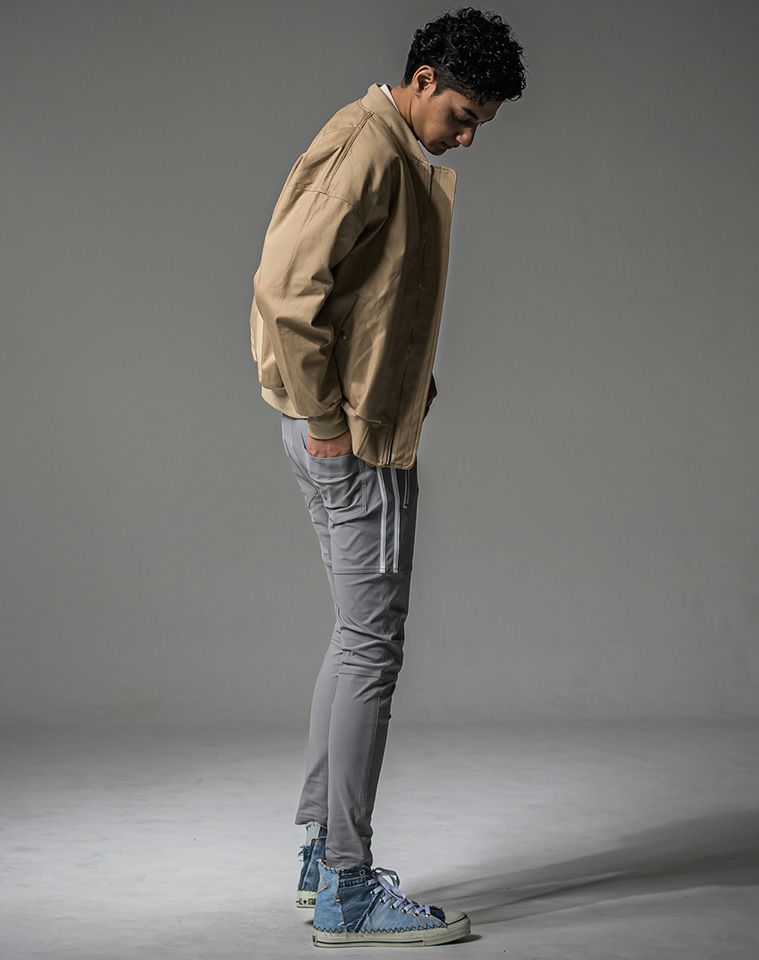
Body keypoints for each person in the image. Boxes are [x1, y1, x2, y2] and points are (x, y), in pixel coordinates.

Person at [248, 6, 526, 947]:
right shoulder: (369, 147)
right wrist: (333, 423)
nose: (468, 135)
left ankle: (319, 854)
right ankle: (347, 888)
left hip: (353, 428)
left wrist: (406, 377)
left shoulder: (383, 145)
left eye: (482, 123)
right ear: (422, 79)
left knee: (354, 636)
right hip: (353, 442)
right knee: (372, 649)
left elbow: (367, 291)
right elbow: (286, 293)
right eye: (463, 113)